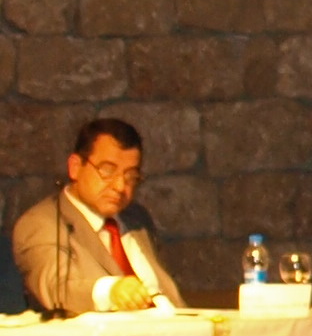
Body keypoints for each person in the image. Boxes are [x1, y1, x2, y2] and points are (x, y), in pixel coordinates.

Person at [12, 117, 185, 315]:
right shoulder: (42, 223)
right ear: (75, 167)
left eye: (130, 176)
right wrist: (111, 291)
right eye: (107, 171)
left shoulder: (137, 218)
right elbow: (56, 289)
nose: (120, 186)